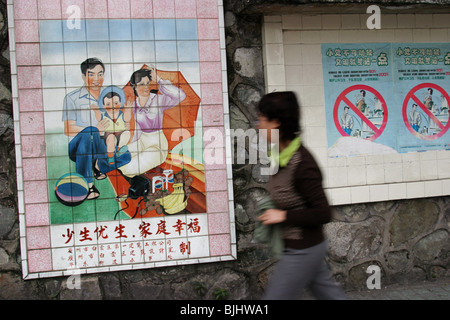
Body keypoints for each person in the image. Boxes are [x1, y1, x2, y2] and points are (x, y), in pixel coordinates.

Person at [256, 91, 347, 300]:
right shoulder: (280, 156)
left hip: (303, 248)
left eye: (261, 119)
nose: (258, 125)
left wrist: (283, 216)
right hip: (304, 247)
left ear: (276, 122)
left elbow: (323, 213)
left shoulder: (302, 164)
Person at [62, 58, 131, 200]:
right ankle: (87, 185)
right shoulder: (72, 98)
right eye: (91, 74)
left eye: (100, 74)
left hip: (103, 147)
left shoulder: (110, 97)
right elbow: (68, 129)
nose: (96, 79)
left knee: (127, 155)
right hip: (79, 148)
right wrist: (95, 129)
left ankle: (99, 166)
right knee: (91, 131)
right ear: (83, 76)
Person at [118, 66, 186, 177]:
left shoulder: (158, 100)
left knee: (130, 169)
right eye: (141, 84)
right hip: (142, 141)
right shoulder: (134, 105)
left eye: (147, 83)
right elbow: (137, 131)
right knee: (119, 159)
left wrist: (159, 80)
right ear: (134, 86)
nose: (146, 87)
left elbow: (180, 95)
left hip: (157, 145)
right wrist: (128, 144)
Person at [92, 85, 132, 165]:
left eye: (116, 103)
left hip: (121, 133)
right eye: (108, 104)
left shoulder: (121, 115)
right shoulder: (104, 116)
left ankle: (119, 150)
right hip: (109, 133)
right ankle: (110, 157)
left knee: (127, 134)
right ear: (103, 106)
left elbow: (127, 119)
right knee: (111, 139)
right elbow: (99, 118)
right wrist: (96, 111)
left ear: (120, 104)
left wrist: (128, 110)